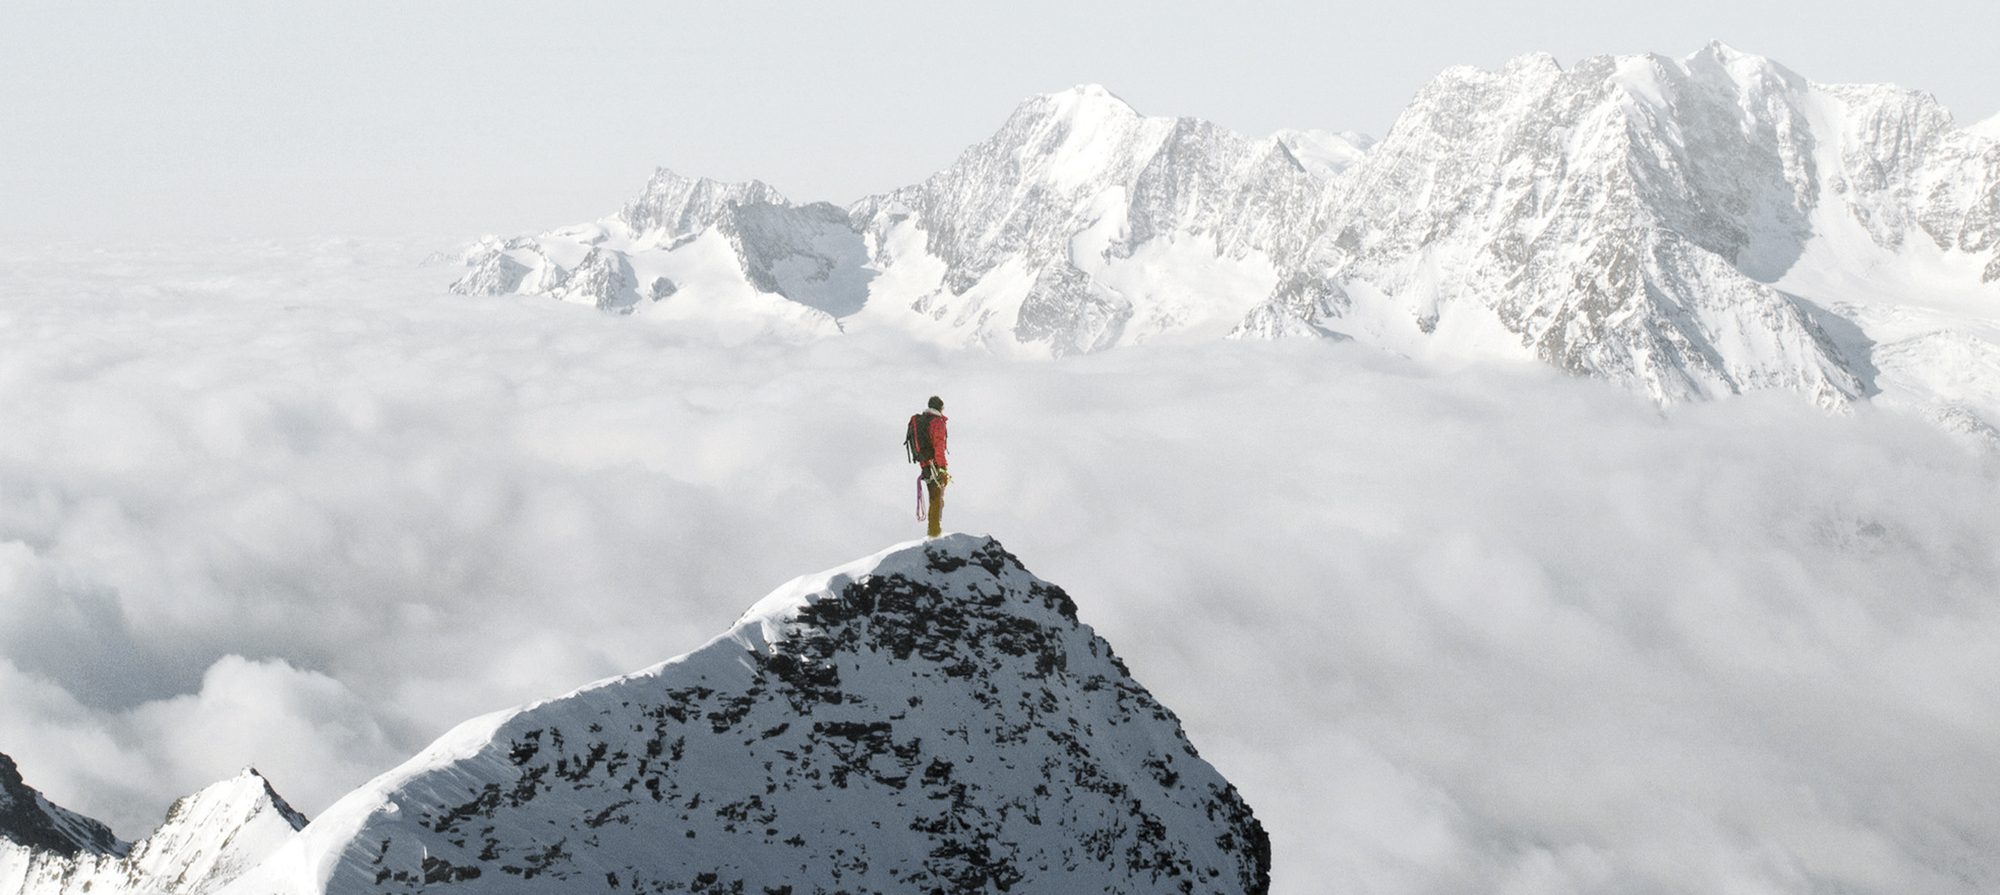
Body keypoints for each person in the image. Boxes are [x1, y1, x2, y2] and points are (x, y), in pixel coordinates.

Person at [907, 396, 950, 538]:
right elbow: (939, 446)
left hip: (925, 464)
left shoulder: (923, 421)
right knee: (937, 498)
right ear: (940, 408)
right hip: (935, 465)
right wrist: (942, 468)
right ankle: (934, 531)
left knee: (934, 497)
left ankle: (934, 529)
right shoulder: (937, 422)